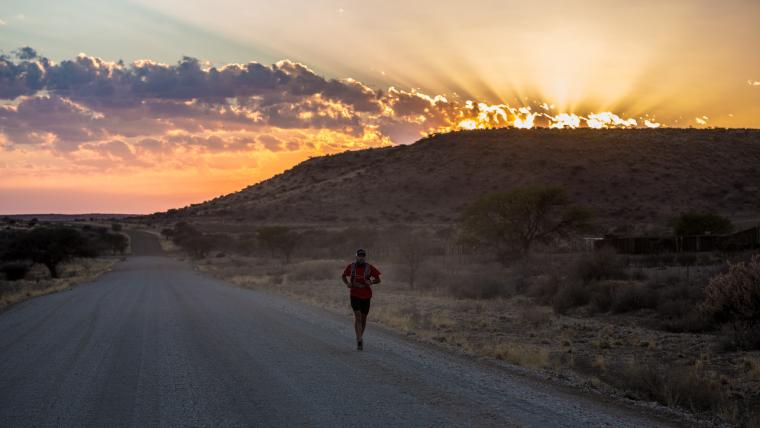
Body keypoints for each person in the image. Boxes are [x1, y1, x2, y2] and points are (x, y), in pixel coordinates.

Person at [341, 249, 381, 351]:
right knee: (358, 316)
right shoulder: (351, 267)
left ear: (365, 257)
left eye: (363, 256)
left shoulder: (369, 267)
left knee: (363, 318)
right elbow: (343, 276)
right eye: (359, 255)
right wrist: (347, 284)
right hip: (354, 294)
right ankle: (359, 339)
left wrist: (371, 282)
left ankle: (360, 336)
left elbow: (378, 279)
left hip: (366, 296)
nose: (361, 257)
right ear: (356, 256)